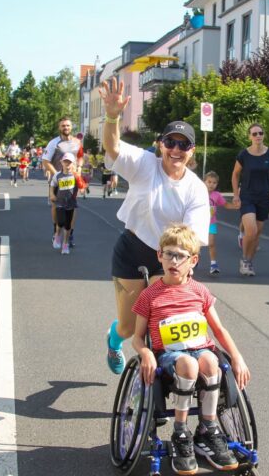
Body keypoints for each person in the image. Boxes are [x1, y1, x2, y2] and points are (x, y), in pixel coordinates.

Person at [99, 76, 210, 375]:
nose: (176, 149)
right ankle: (113, 338)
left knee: (165, 324)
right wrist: (112, 116)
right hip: (133, 250)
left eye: (183, 144)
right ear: (160, 144)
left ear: (192, 150)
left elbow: (193, 238)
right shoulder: (144, 164)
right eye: (170, 142)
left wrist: (182, 266)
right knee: (127, 326)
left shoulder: (196, 189)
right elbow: (112, 147)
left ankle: (163, 381)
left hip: (171, 258)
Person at [132, 223, 249, 474]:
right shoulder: (150, 295)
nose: (173, 261)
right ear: (159, 256)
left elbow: (218, 331)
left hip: (200, 348)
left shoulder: (200, 291)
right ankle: (180, 432)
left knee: (210, 361)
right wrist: (144, 353)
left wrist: (237, 357)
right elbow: (137, 338)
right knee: (189, 364)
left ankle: (208, 427)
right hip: (170, 356)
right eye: (168, 254)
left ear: (193, 260)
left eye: (180, 256)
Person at [231, 123, 269, 276]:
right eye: (254, 134)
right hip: (247, 196)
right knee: (251, 230)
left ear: (264, 135)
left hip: (263, 197)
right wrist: (235, 194)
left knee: (257, 234)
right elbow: (235, 174)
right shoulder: (243, 155)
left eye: (260, 133)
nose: (258, 136)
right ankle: (244, 260)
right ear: (249, 137)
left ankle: (249, 261)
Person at [42, 117, 83, 245]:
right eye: (63, 126)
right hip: (58, 180)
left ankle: (70, 234)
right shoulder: (54, 143)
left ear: (71, 127)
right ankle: (56, 232)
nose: (66, 128)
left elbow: (80, 157)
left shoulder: (77, 142)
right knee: (56, 206)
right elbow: (45, 161)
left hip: (72, 181)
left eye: (68, 126)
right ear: (59, 128)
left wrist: (80, 168)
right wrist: (57, 176)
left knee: (73, 208)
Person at [50, 153, 86, 255]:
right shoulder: (58, 175)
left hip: (71, 204)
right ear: (61, 163)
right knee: (60, 222)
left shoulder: (75, 176)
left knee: (68, 226)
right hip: (60, 203)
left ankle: (65, 244)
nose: (67, 164)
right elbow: (53, 185)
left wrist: (82, 190)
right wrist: (52, 194)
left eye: (69, 163)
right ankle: (57, 236)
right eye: (65, 162)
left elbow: (82, 186)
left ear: (73, 164)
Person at [204, 171, 239, 275]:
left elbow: (226, 205)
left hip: (211, 223)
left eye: (214, 183)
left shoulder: (217, 195)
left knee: (211, 243)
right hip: (199, 222)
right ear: (204, 182)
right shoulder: (199, 192)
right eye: (209, 182)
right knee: (196, 244)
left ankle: (213, 264)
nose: (211, 184)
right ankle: (193, 260)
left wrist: (235, 206)